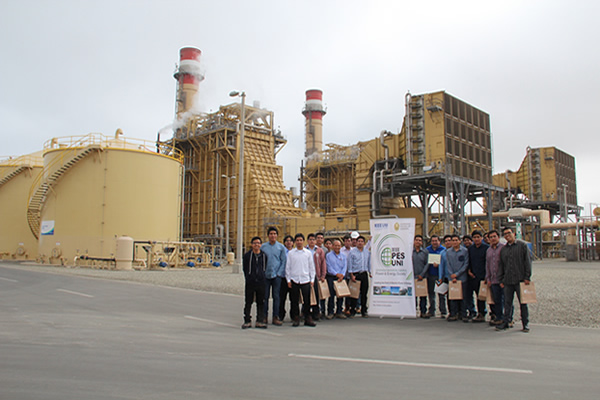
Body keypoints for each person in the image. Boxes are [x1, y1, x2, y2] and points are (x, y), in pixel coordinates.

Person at [496, 227, 532, 332]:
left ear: (514, 234)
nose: (507, 236)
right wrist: (501, 279)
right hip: (507, 280)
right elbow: (501, 265)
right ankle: (506, 322)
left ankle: (525, 324)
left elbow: (527, 262)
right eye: (505, 234)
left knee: (523, 303)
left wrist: (527, 277)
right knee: (507, 303)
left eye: (509, 233)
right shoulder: (504, 249)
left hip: (520, 280)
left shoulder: (522, 246)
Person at [286, 233, 316, 327]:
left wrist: (312, 279)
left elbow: (311, 267)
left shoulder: (307, 253)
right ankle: (296, 318)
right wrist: (288, 280)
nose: (299, 242)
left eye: (300, 240)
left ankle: (307, 318)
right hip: (294, 279)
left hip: (305, 279)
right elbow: (288, 267)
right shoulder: (291, 253)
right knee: (294, 301)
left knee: (307, 301)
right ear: (295, 242)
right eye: (297, 240)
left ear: (303, 241)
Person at [260, 227, 287, 326]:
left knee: (276, 297)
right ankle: (264, 316)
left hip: (276, 276)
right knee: (265, 297)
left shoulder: (281, 247)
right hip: (266, 276)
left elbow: (283, 261)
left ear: (277, 235)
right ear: (268, 235)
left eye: (274, 234)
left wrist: (279, 273)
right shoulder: (263, 247)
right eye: (271, 234)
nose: (273, 235)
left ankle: (276, 316)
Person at [242, 237, 268, 329]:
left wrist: (262, 276)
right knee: (248, 301)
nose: (256, 245)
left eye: (258, 243)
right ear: (252, 244)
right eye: (254, 243)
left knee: (260, 302)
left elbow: (265, 267)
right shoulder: (247, 256)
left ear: (261, 245)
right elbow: (245, 268)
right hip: (251, 282)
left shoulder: (264, 255)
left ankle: (259, 320)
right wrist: (248, 277)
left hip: (261, 282)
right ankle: (247, 320)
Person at [445, 234, 469, 321]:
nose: (454, 242)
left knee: (463, 297)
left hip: (462, 278)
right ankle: (453, 313)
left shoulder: (465, 251)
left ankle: (463, 314)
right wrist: (452, 275)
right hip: (452, 278)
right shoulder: (448, 252)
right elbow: (448, 264)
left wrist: (457, 274)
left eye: (456, 240)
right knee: (453, 297)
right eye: (453, 240)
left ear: (460, 241)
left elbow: (466, 264)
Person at [466, 230, 489, 322]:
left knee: (484, 296)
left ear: (481, 238)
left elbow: (488, 262)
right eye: (474, 237)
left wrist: (487, 275)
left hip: (484, 276)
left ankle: (488, 313)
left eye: (478, 237)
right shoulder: (471, 249)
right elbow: (469, 261)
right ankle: (478, 313)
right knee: (476, 295)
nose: (476, 239)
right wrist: (469, 271)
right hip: (473, 276)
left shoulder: (486, 248)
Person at [347, 235, 371, 317]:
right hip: (355, 274)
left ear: (364, 243)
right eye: (359, 241)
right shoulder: (352, 252)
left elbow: (369, 262)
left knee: (364, 293)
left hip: (364, 274)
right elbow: (349, 263)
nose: (360, 243)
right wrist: (351, 275)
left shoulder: (367, 251)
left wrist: (370, 272)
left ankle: (364, 310)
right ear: (356, 242)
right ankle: (352, 310)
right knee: (354, 294)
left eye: (362, 241)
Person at [485, 230, 505, 326]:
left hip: (503, 280)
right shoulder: (488, 250)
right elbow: (487, 265)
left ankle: (508, 318)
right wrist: (488, 278)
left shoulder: (503, 248)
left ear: (498, 237)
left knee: (505, 300)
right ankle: (499, 317)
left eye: (494, 236)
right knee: (496, 300)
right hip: (493, 280)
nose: (493, 238)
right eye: (491, 237)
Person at [325, 239, 347, 319]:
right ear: (332, 246)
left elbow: (345, 266)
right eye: (335, 245)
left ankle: (339, 311)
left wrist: (342, 275)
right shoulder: (328, 255)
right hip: (332, 277)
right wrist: (336, 274)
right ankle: (330, 312)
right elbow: (329, 267)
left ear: (341, 247)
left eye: (339, 245)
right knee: (331, 295)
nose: (337, 247)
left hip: (341, 277)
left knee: (340, 295)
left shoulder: (343, 256)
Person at [306, 233, 327, 321]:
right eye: (310, 239)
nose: (312, 241)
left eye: (313, 240)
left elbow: (323, 263)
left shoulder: (319, 251)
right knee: (306, 295)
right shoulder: (304, 250)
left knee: (316, 295)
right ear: (307, 241)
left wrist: (323, 275)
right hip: (306, 275)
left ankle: (316, 313)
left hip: (316, 275)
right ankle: (306, 312)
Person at [425, 235, 446, 318]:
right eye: (433, 241)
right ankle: (431, 310)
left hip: (440, 276)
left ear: (439, 241)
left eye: (436, 241)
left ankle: (443, 311)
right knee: (431, 294)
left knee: (441, 294)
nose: (434, 242)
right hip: (431, 275)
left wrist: (439, 265)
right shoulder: (427, 250)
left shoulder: (443, 250)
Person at [278, 235, 294, 322]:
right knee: (282, 298)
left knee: (293, 298)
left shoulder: (295, 252)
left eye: (290, 241)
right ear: (284, 243)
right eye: (287, 241)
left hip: (293, 278)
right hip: (283, 278)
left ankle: (293, 315)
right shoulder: (282, 251)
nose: (289, 242)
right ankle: (280, 315)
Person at [412, 235, 429, 318]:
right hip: (412, 277)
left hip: (422, 277)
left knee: (423, 296)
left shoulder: (425, 252)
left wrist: (422, 275)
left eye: (419, 240)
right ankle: (413, 311)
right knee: (413, 296)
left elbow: (427, 264)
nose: (418, 242)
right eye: (416, 240)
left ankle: (423, 311)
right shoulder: (411, 252)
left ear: (422, 242)